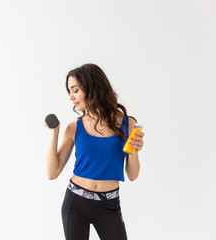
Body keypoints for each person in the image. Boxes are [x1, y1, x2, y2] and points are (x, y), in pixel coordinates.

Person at [45, 63, 145, 240]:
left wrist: (134, 150)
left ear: (92, 87)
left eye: (75, 90)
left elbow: (133, 174)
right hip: (75, 203)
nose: (71, 97)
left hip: (109, 205)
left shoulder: (128, 125)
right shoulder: (74, 128)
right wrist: (55, 134)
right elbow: (52, 173)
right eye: (69, 91)